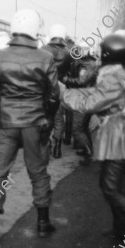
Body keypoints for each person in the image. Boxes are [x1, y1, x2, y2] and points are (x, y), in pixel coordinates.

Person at [0, 9, 59, 245]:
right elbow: (53, 96)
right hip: (35, 122)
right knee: (38, 171)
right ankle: (42, 222)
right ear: (34, 30)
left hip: (6, 122)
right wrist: (47, 118)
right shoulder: (45, 57)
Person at [61, 33, 125, 239]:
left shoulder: (111, 76)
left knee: (109, 188)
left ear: (108, 53)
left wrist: (63, 93)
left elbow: (91, 103)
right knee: (110, 185)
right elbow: (98, 94)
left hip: (117, 134)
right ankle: (120, 230)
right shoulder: (122, 73)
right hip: (122, 131)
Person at [62, 40, 99, 165]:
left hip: (84, 99)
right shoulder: (88, 61)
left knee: (77, 128)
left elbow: (81, 81)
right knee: (83, 127)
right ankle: (88, 150)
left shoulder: (87, 63)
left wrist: (65, 79)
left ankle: (88, 153)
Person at [41, 24, 72, 159]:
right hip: (61, 87)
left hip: (45, 87)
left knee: (45, 117)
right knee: (59, 118)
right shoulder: (70, 52)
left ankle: (46, 144)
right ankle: (58, 147)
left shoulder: (42, 50)